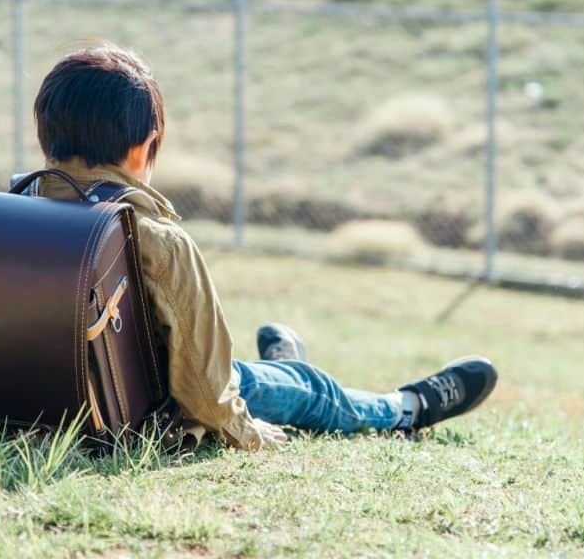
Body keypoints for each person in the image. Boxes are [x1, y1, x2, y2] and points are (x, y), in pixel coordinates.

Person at [32, 45, 498, 450]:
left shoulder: (10, 216)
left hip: (41, 407)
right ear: (144, 147)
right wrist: (246, 431)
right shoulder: (155, 239)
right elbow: (204, 385)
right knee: (306, 390)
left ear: (45, 138)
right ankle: (407, 407)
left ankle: (287, 369)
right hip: (147, 413)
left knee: (278, 381)